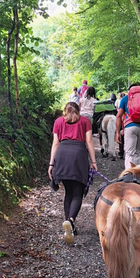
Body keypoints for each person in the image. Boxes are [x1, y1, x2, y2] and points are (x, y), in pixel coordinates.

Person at [48, 102, 97, 244]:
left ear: (65, 111)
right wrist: (93, 162)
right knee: (78, 192)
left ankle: (69, 226)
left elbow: (55, 143)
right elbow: (88, 141)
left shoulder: (58, 122)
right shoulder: (85, 121)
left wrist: (51, 164)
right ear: (79, 110)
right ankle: (70, 220)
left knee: (68, 192)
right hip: (78, 155)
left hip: (62, 155)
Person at [116, 83, 140, 169]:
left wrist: (118, 132)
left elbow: (118, 116)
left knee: (130, 153)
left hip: (130, 127)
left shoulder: (125, 99)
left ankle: (129, 175)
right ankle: (136, 175)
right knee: (137, 152)